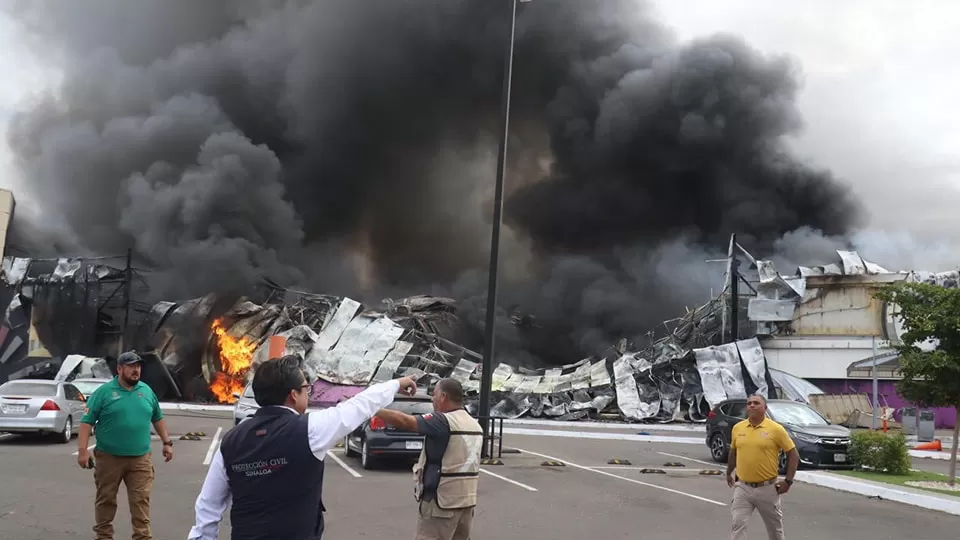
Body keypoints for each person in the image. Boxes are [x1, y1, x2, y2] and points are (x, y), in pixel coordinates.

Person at [187, 355, 419, 540]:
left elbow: (208, 506)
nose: (308, 393)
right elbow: (360, 405)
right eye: (306, 388)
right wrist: (397, 383)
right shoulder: (311, 430)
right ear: (293, 395)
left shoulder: (230, 441)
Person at [77, 350, 174, 540]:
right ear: (119, 369)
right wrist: (82, 451)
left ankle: (142, 537)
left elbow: (157, 417)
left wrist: (167, 443)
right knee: (106, 499)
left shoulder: (146, 391)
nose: (136, 370)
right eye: (131, 367)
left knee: (141, 500)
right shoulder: (103, 393)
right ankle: (104, 536)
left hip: (140, 459)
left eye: (138, 366)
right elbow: (86, 422)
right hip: (109, 458)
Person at [373, 378, 483, 540]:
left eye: (435, 394)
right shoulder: (474, 425)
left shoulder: (443, 420)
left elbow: (405, 421)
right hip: (466, 503)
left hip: (441, 503)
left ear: (444, 396)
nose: (432, 399)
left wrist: (370, 408)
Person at [726, 394, 799, 540]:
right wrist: (729, 472)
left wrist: (788, 481)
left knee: (775, 531)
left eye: (756, 403)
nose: (751, 406)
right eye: (749, 403)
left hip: (767, 488)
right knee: (737, 525)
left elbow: (793, 454)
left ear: (764, 408)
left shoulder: (776, 429)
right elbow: (733, 452)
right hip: (743, 488)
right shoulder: (738, 428)